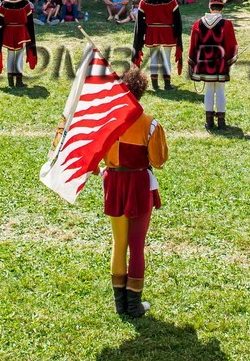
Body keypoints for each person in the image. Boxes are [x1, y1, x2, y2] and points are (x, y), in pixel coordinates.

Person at [101, 65, 169, 320]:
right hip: (139, 184)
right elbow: (159, 160)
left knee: (118, 244)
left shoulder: (107, 119)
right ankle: (134, 304)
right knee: (136, 246)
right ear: (141, 92)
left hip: (113, 183)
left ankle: (120, 304)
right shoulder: (149, 123)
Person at [188, 0, 237, 130]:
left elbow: (193, 45)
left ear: (210, 7)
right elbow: (231, 45)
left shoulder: (198, 23)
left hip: (204, 61)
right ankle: (221, 121)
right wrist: (229, 61)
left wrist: (192, 61)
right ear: (222, 8)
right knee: (220, 90)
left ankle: (209, 121)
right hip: (220, 61)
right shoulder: (227, 24)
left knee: (209, 90)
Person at [133, 0, 183, 91]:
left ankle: (155, 84)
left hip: (152, 31)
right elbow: (177, 20)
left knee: (154, 56)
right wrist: (177, 35)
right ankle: (167, 84)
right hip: (167, 32)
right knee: (166, 57)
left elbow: (139, 22)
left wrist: (141, 36)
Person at [0, 0, 38, 87]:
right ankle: (19, 80)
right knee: (19, 56)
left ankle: (10, 81)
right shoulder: (25, 3)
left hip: (8, 32)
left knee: (11, 55)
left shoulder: (3, 4)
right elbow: (29, 22)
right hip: (21, 31)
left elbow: (0, 23)